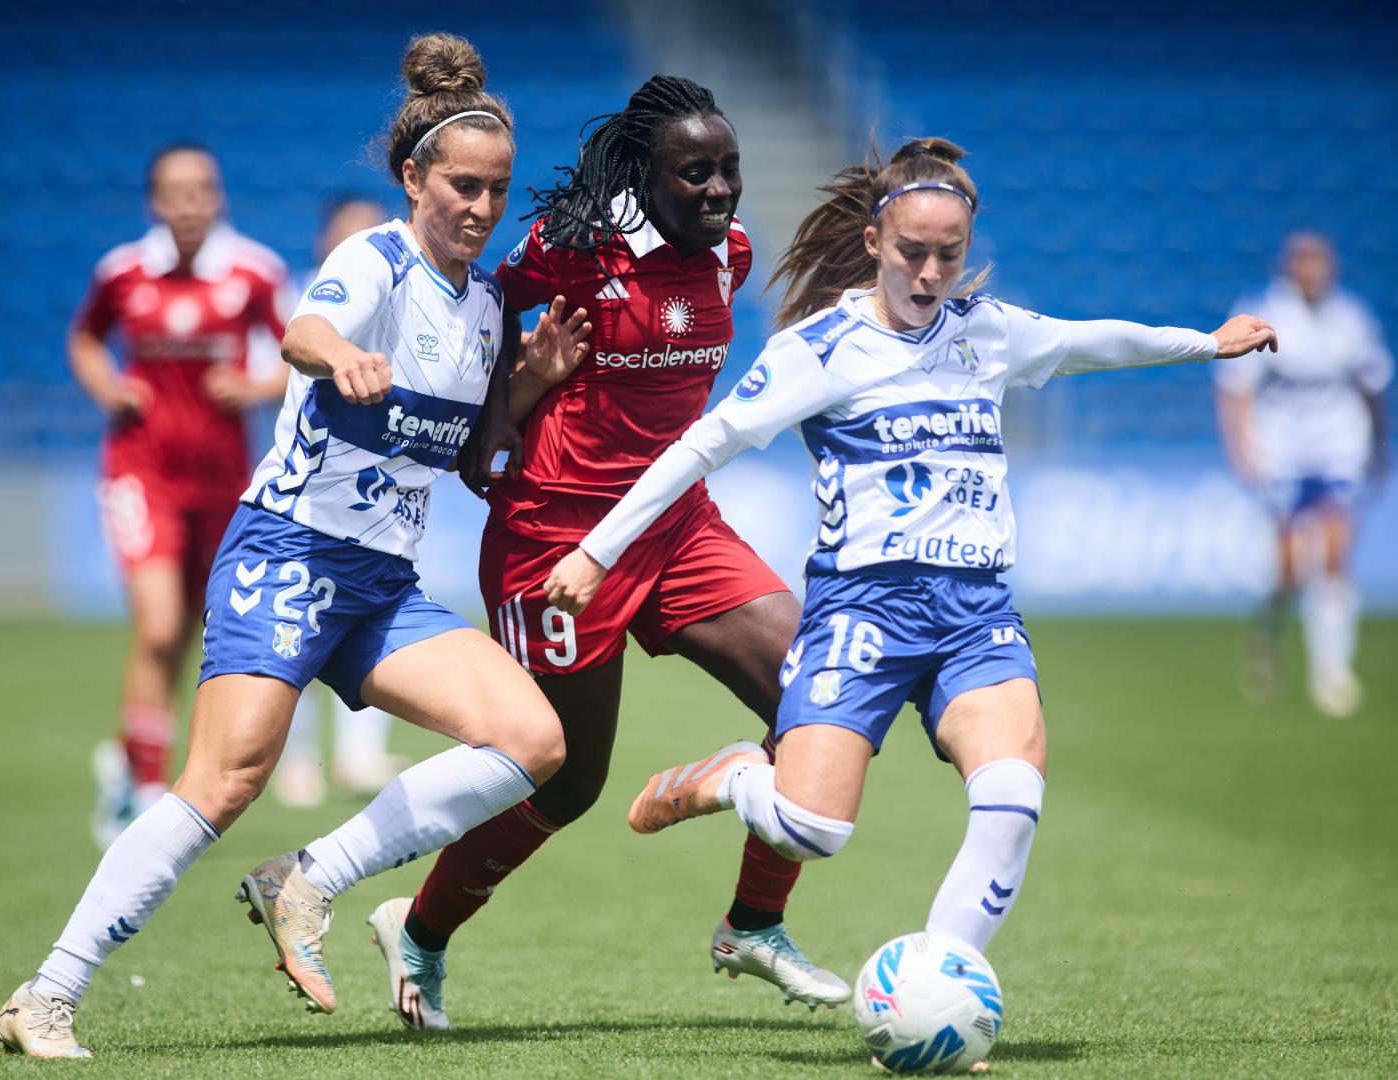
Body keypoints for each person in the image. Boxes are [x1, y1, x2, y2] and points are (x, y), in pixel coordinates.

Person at [541, 140, 1277, 1004]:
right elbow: (706, 445)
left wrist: (1205, 345)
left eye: (948, 255)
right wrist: (599, 549)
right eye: (912, 252)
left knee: (1010, 799)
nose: (929, 273)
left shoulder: (987, 332)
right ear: (872, 242)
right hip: (864, 610)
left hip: (975, 613)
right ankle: (735, 775)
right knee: (812, 828)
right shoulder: (821, 349)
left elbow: (1091, 341)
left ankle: (937, 993)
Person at [0, 33, 572, 1058]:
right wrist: (340, 354)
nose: (481, 209)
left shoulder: (486, 306)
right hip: (290, 554)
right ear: (413, 178)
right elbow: (305, 332)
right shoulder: (375, 260)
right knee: (225, 778)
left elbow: (477, 453)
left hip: (382, 582)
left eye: (497, 190)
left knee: (533, 741)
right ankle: (45, 992)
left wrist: (530, 383)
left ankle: (308, 879)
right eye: (462, 187)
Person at [365, 75, 847, 1035]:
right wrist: (508, 405)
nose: (719, 191)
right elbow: (485, 317)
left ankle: (753, 921)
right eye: (695, 173)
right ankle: (417, 928)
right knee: (567, 780)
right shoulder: (575, 247)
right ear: (646, 176)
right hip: (556, 536)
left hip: (676, 524)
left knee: (818, 695)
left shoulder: (730, 256)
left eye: (729, 171)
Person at [70, 143, 292, 849]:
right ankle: (141, 792)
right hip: (141, 471)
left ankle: (126, 757)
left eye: (202, 190)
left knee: (196, 633)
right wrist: (109, 386)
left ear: (218, 197)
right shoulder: (123, 272)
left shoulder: (254, 273)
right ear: (154, 202)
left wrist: (254, 387)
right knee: (161, 625)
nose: (190, 203)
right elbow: (84, 340)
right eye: (175, 192)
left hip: (224, 481)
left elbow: (303, 356)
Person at [272, 194, 410, 808]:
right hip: (298, 491)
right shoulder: (295, 299)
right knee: (294, 630)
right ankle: (295, 759)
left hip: (378, 500)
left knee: (368, 626)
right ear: (325, 241)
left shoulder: (409, 300)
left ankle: (357, 757)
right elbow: (280, 355)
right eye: (349, 233)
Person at [1216, 232, 1390, 717]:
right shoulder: (1265, 313)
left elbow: (1372, 389)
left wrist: (1380, 447)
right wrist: (1242, 448)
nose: (1316, 273)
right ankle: (1268, 632)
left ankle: (1332, 671)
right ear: (1291, 268)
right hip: (1283, 452)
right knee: (1291, 568)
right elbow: (1236, 388)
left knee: (1335, 554)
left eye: (1322, 264)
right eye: (1307, 264)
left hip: (1338, 448)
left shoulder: (1350, 320)